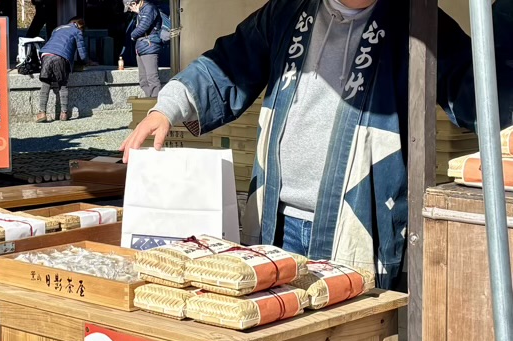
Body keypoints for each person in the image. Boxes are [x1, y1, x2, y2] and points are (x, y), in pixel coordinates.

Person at [121, 0, 513, 290]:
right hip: (274, 221)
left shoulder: (417, 21)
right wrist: (167, 108)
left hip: (358, 223)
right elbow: (228, 61)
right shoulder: (287, 12)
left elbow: (477, 89)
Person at [36, 17, 92, 122]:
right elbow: (82, 53)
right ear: (80, 25)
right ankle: (64, 113)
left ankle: (42, 112)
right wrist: (87, 62)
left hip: (45, 55)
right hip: (61, 57)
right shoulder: (77, 31)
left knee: (46, 83)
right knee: (62, 84)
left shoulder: (57, 29)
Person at [124, 0, 162, 98]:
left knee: (152, 78)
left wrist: (132, 35)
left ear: (133, 3)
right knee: (143, 80)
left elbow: (143, 26)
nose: (130, 11)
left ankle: (155, 103)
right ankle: (149, 101)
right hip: (142, 47)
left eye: (129, 8)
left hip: (149, 47)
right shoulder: (141, 12)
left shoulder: (149, 8)